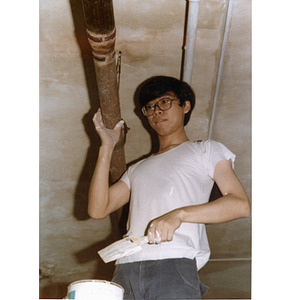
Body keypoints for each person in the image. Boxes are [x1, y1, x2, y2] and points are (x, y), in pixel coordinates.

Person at [88, 76, 250, 299]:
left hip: (173, 262)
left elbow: (240, 205)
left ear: (185, 106)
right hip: (125, 268)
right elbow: (97, 209)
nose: (156, 111)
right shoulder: (137, 169)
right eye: (150, 107)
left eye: (164, 102)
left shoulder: (206, 150)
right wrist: (107, 146)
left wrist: (179, 215)